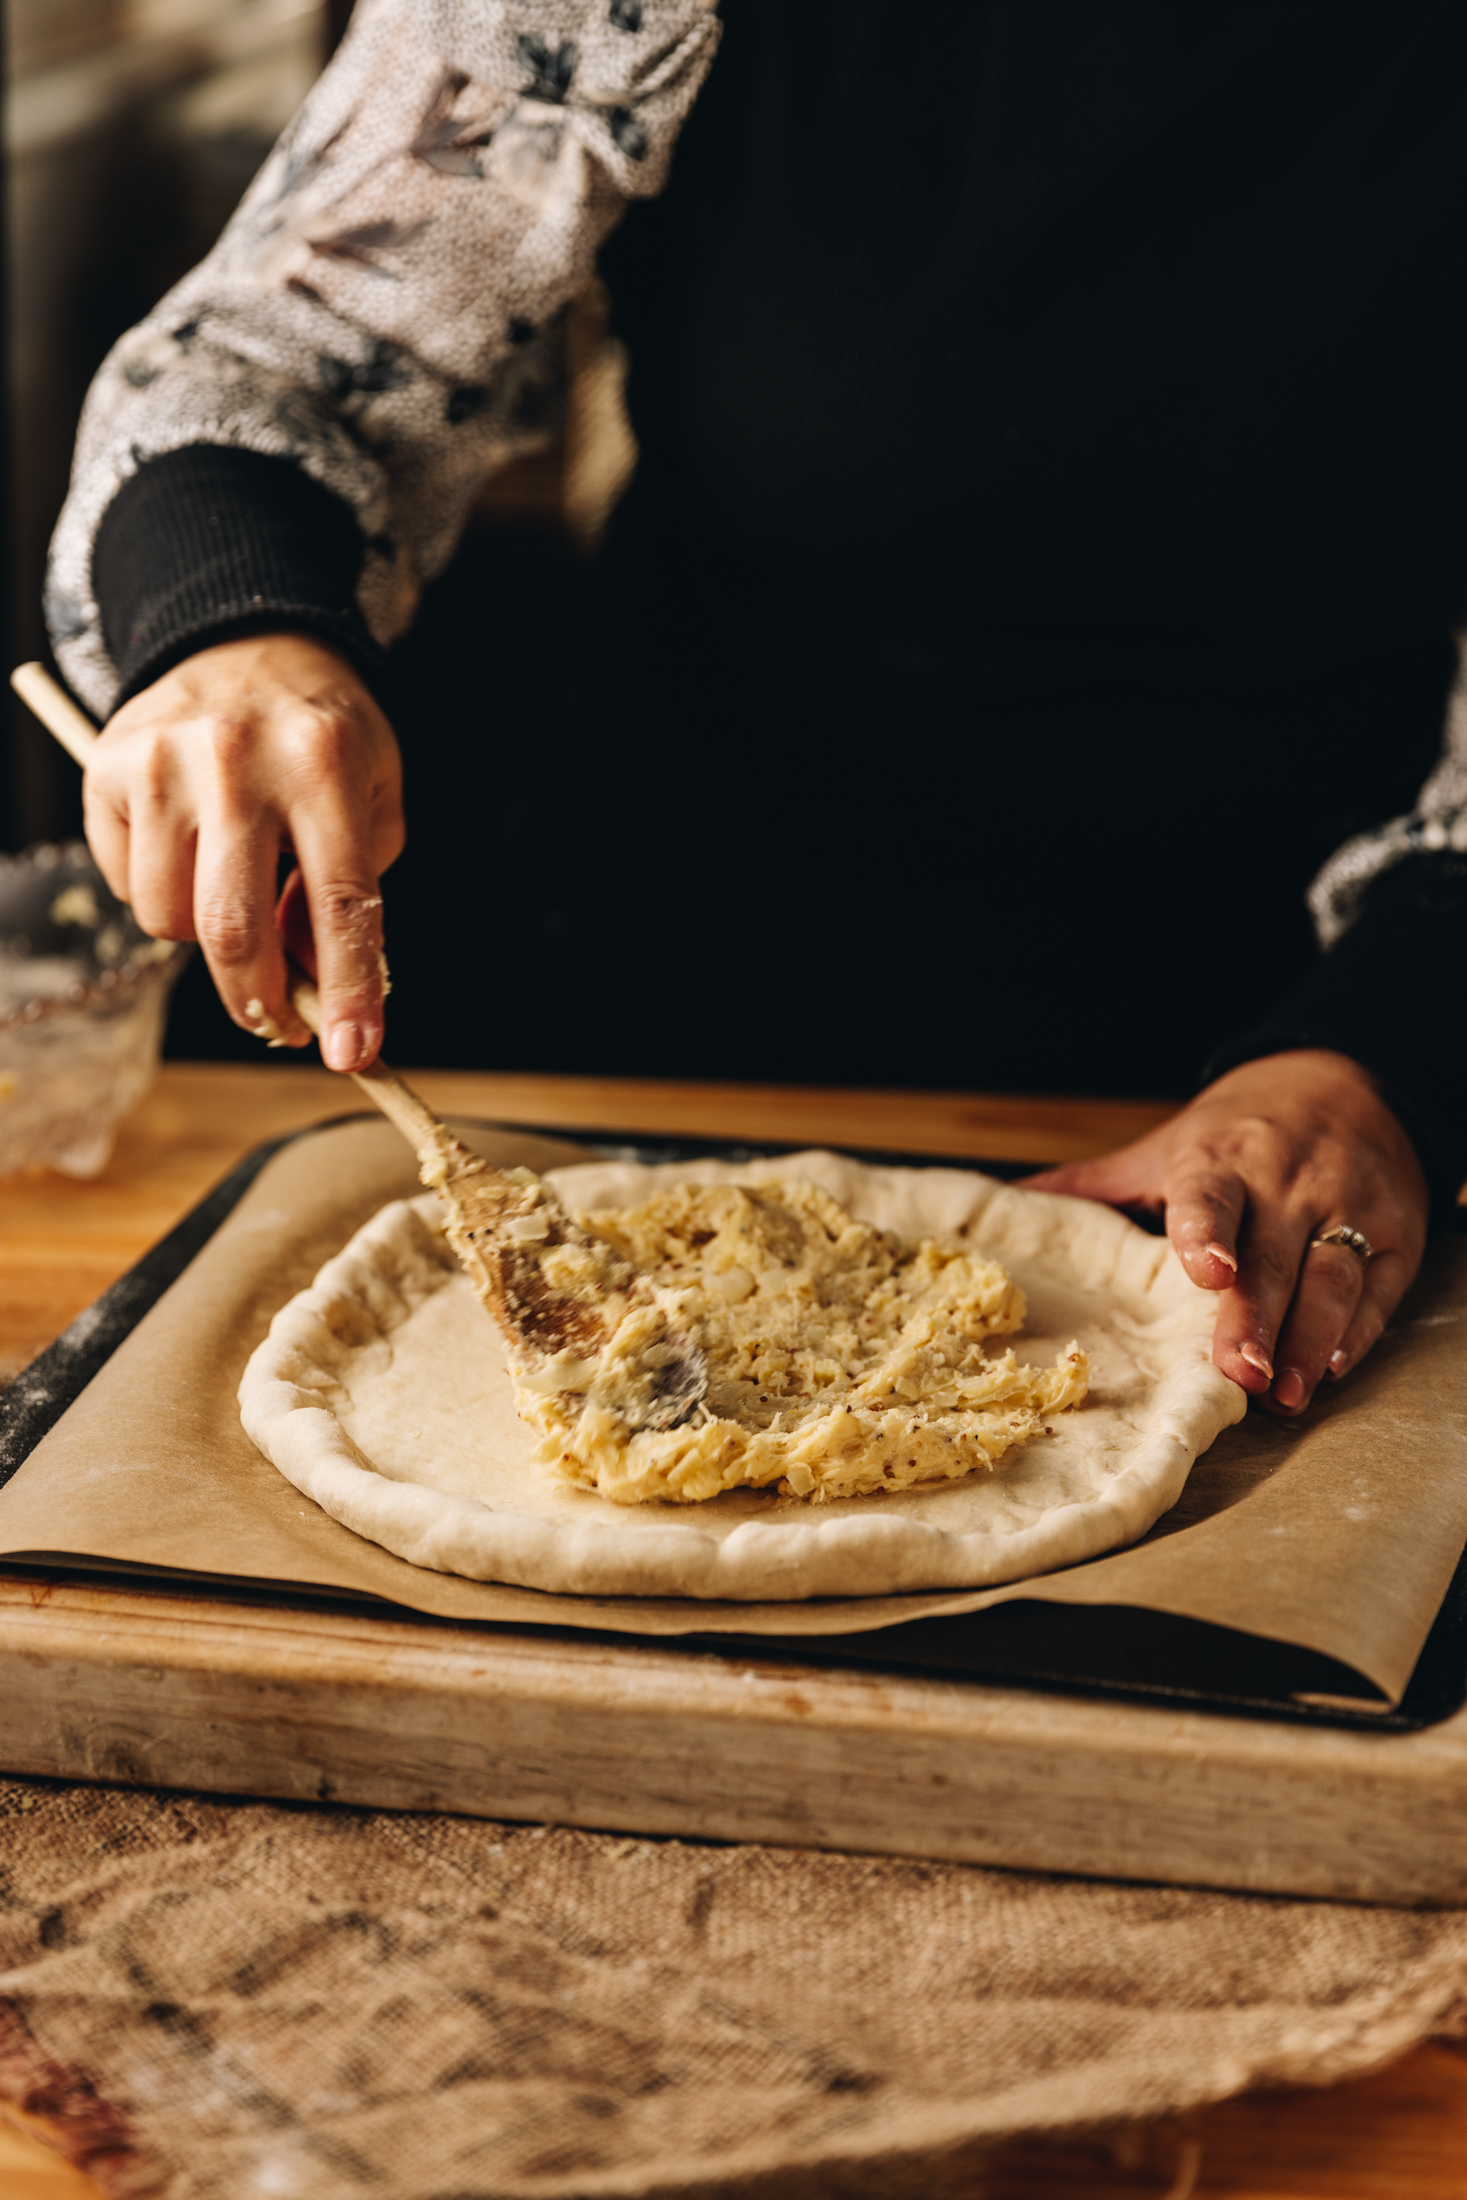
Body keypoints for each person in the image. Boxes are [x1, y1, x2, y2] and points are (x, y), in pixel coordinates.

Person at [47, 2, 1467, 1422]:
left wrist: (1383, 1054)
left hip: (1298, 1053)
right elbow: (268, 365)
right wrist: (234, 628)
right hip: (676, 986)